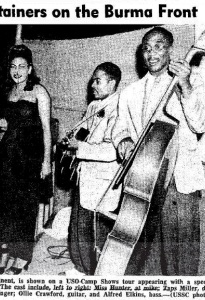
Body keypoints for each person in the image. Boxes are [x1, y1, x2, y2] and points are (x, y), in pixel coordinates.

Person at [111, 27, 205, 275]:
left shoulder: (190, 81)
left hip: (180, 179)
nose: (151, 53)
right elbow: (119, 126)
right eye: (146, 48)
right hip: (145, 181)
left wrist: (184, 84)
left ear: (170, 50)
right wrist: (122, 140)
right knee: (147, 254)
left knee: (182, 253)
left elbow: (199, 123)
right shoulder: (130, 92)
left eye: (158, 46)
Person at [0, 44, 52, 275]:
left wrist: (46, 161)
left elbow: (46, 129)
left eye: (22, 66)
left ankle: (22, 256)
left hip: (29, 158)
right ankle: (5, 252)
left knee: (24, 208)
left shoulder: (39, 92)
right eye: (13, 66)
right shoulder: (10, 92)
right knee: (4, 205)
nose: (17, 70)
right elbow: (10, 124)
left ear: (30, 68)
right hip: (7, 155)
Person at [65, 62, 122, 275]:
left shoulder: (119, 106)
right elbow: (83, 130)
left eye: (98, 81)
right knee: (78, 224)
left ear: (112, 82)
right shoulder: (93, 106)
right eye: (93, 80)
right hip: (85, 175)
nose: (92, 85)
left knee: (96, 231)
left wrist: (80, 147)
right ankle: (81, 268)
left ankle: (95, 274)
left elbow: (112, 151)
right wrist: (72, 136)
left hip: (103, 181)